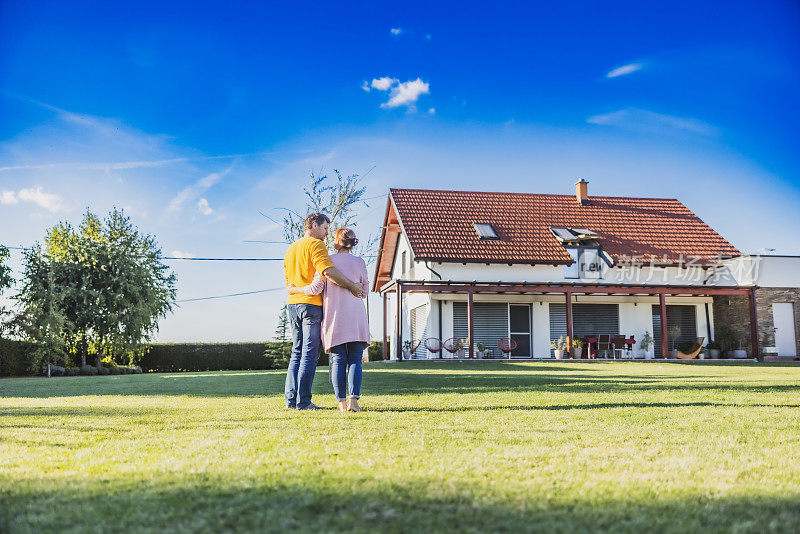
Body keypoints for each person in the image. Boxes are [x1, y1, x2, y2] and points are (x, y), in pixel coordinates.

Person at [283, 214, 363, 410]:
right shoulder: (316, 245)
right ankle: (303, 401)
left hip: (293, 305)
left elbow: (288, 284)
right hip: (310, 306)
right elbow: (328, 272)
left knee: (297, 352)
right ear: (314, 225)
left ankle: (291, 401)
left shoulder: (290, 249)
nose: (327, 233)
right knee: (309, 354)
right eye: (325, 228)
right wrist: (352, 286)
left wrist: (297, 290)